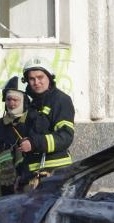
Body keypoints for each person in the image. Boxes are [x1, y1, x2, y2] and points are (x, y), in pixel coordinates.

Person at [18, 58, 75, 190]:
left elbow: (65, 137)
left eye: (40, 77)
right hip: (32, 175)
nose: (36, 82)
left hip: (56, 173)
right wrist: (21, 174)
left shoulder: (61, 100)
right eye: (31, 79)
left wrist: (34, 143)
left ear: (49, 77)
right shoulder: (30, 104)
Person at [0, 77, 33, 195]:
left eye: (15, 100)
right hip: (4, 186)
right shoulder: (1, 124)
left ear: (24, 101)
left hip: (26, 184)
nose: (11, 103)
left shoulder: (32, 122)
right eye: (8, 99)